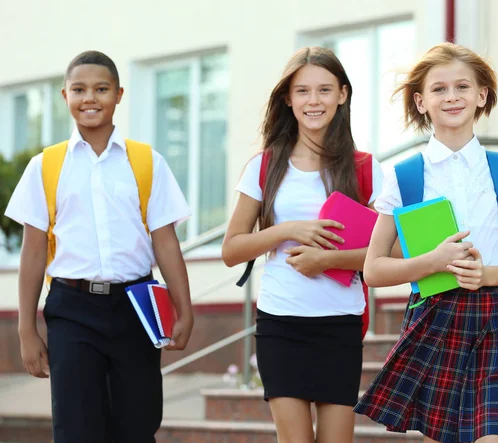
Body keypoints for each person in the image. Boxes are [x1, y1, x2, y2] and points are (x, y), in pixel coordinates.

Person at [354, 43, 498, 443]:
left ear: (481, 96)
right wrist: (434, 261)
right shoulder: (404, 176)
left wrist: (486, 275)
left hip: (496, 317)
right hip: (434, 316)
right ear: (421, 101)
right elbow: (373, 269)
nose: (452, 96)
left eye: (463, 86)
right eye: (439, 89)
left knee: (493, 436)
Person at [4, 50, 194, 443]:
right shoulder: (45, 166)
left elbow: (166, 243)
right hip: (72, 311)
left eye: (101, 89)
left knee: (138, 424)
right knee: (77, 428)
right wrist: (26, 328)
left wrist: (185, 309)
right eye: (79, 89)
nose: (90, 98)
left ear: (119, 94)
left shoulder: (146, 162)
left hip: (136, 307)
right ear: (64, 96)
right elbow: (34, 251)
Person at [221, 46, 383, 443]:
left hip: (340, 325)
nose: (314, 101)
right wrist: (287, 229)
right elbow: (231, 250)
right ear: (288, 99)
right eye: (303, 91)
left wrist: (326, 260)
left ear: (342, 94)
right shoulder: (265, 165)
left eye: (325, 90)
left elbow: (389, 253)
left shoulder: (365, 167)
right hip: (281, 324)